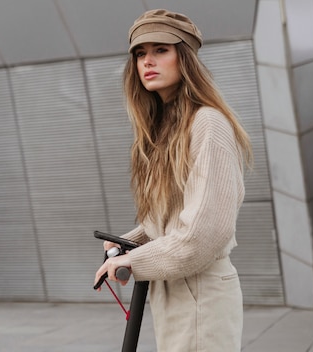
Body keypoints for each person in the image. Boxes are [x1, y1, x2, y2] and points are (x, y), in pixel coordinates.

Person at [93, 8, 252, 352]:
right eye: (140, 53)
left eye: (160, 50)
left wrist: (133, 261)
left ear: (186, 59)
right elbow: (167, 221)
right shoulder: (164, 130)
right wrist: (128, 241)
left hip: (200, 293)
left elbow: (202, 235)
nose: (147, 61)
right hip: (175, 292)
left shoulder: (207, 124)